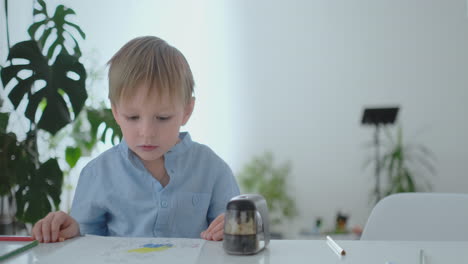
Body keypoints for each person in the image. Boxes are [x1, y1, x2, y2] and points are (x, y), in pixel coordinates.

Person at [31, 36, 240, 243]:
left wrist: (235, 228)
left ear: (187, 111)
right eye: (132, 117)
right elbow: (84, 244)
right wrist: (69, 230)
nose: (147, 132)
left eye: (163, 117)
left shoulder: (212, 169)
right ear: (115, 112)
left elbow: (238, 229)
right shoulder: (98, 173)